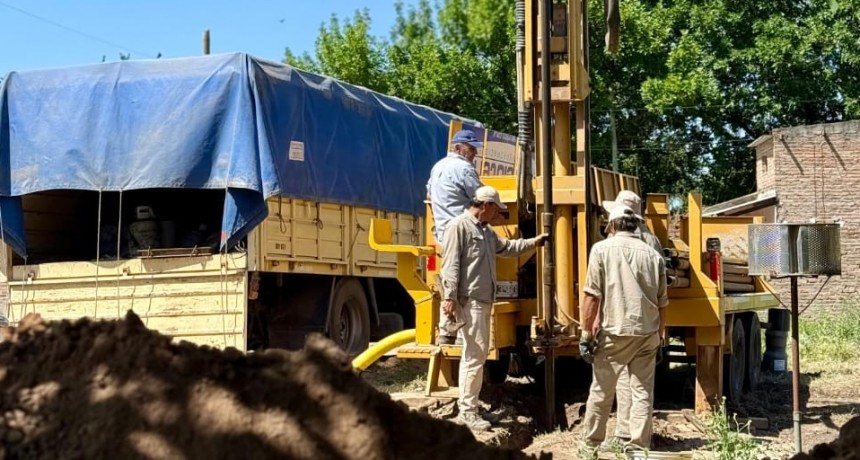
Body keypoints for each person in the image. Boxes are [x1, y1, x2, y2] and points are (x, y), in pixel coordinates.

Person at [439, 185, 547, 431]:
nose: (498, 214)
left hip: (483, 301)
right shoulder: (459, 227)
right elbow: (450, 265)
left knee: (477, 355)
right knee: (474, 356)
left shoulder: (486, 232)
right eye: (496, 209)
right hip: (470, 301)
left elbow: (507, 248)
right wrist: (449, 297)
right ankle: (467, 412)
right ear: (485, 205)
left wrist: (535, 242)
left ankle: (472, 408)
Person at [579, 204, 668, 453]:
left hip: (615, 333)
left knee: (601, 391)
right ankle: (638, 447)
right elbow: (663, 303)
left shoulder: (601, 250)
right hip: (647, 333)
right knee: (642, 393)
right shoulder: (653, 255)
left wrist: (586, 334)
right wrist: (660, 337)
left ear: (613, 224)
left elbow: (592, 296)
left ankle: (590, 445)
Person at [600, 190, 663, 448]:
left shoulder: (612, 244)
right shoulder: (653, 242)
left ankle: (624, 434)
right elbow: (661, 290)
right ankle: (640, 440)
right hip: (647, 324)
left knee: (623, 382)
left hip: (619, 322)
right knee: (642, 387)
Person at [426, 129, 484, 345]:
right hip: (463, 232)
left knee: (449, 279)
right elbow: (481, 197)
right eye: (471, 148)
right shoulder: (464, 168)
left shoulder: (438, 167)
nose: (475, 152)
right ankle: (461, 333)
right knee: (465, 283)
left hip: (443, 232)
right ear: (458, 147)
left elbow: (429, 195)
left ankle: (446, 331)